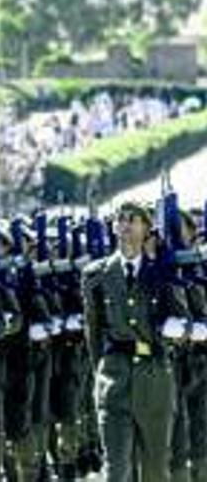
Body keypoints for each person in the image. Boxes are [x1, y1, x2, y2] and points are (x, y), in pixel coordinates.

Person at [82, 201, 188, 481]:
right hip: (114, 380)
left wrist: (179, 332)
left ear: (147, 228)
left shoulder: (163, 271)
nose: (126, 224)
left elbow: (182, 318)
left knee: (154, 469)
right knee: (116, 470)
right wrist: (101, 373)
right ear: (114, 226)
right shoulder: (96, 274)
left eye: (134, 219)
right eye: (121, 218)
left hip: (155, 379)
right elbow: (93, 330)